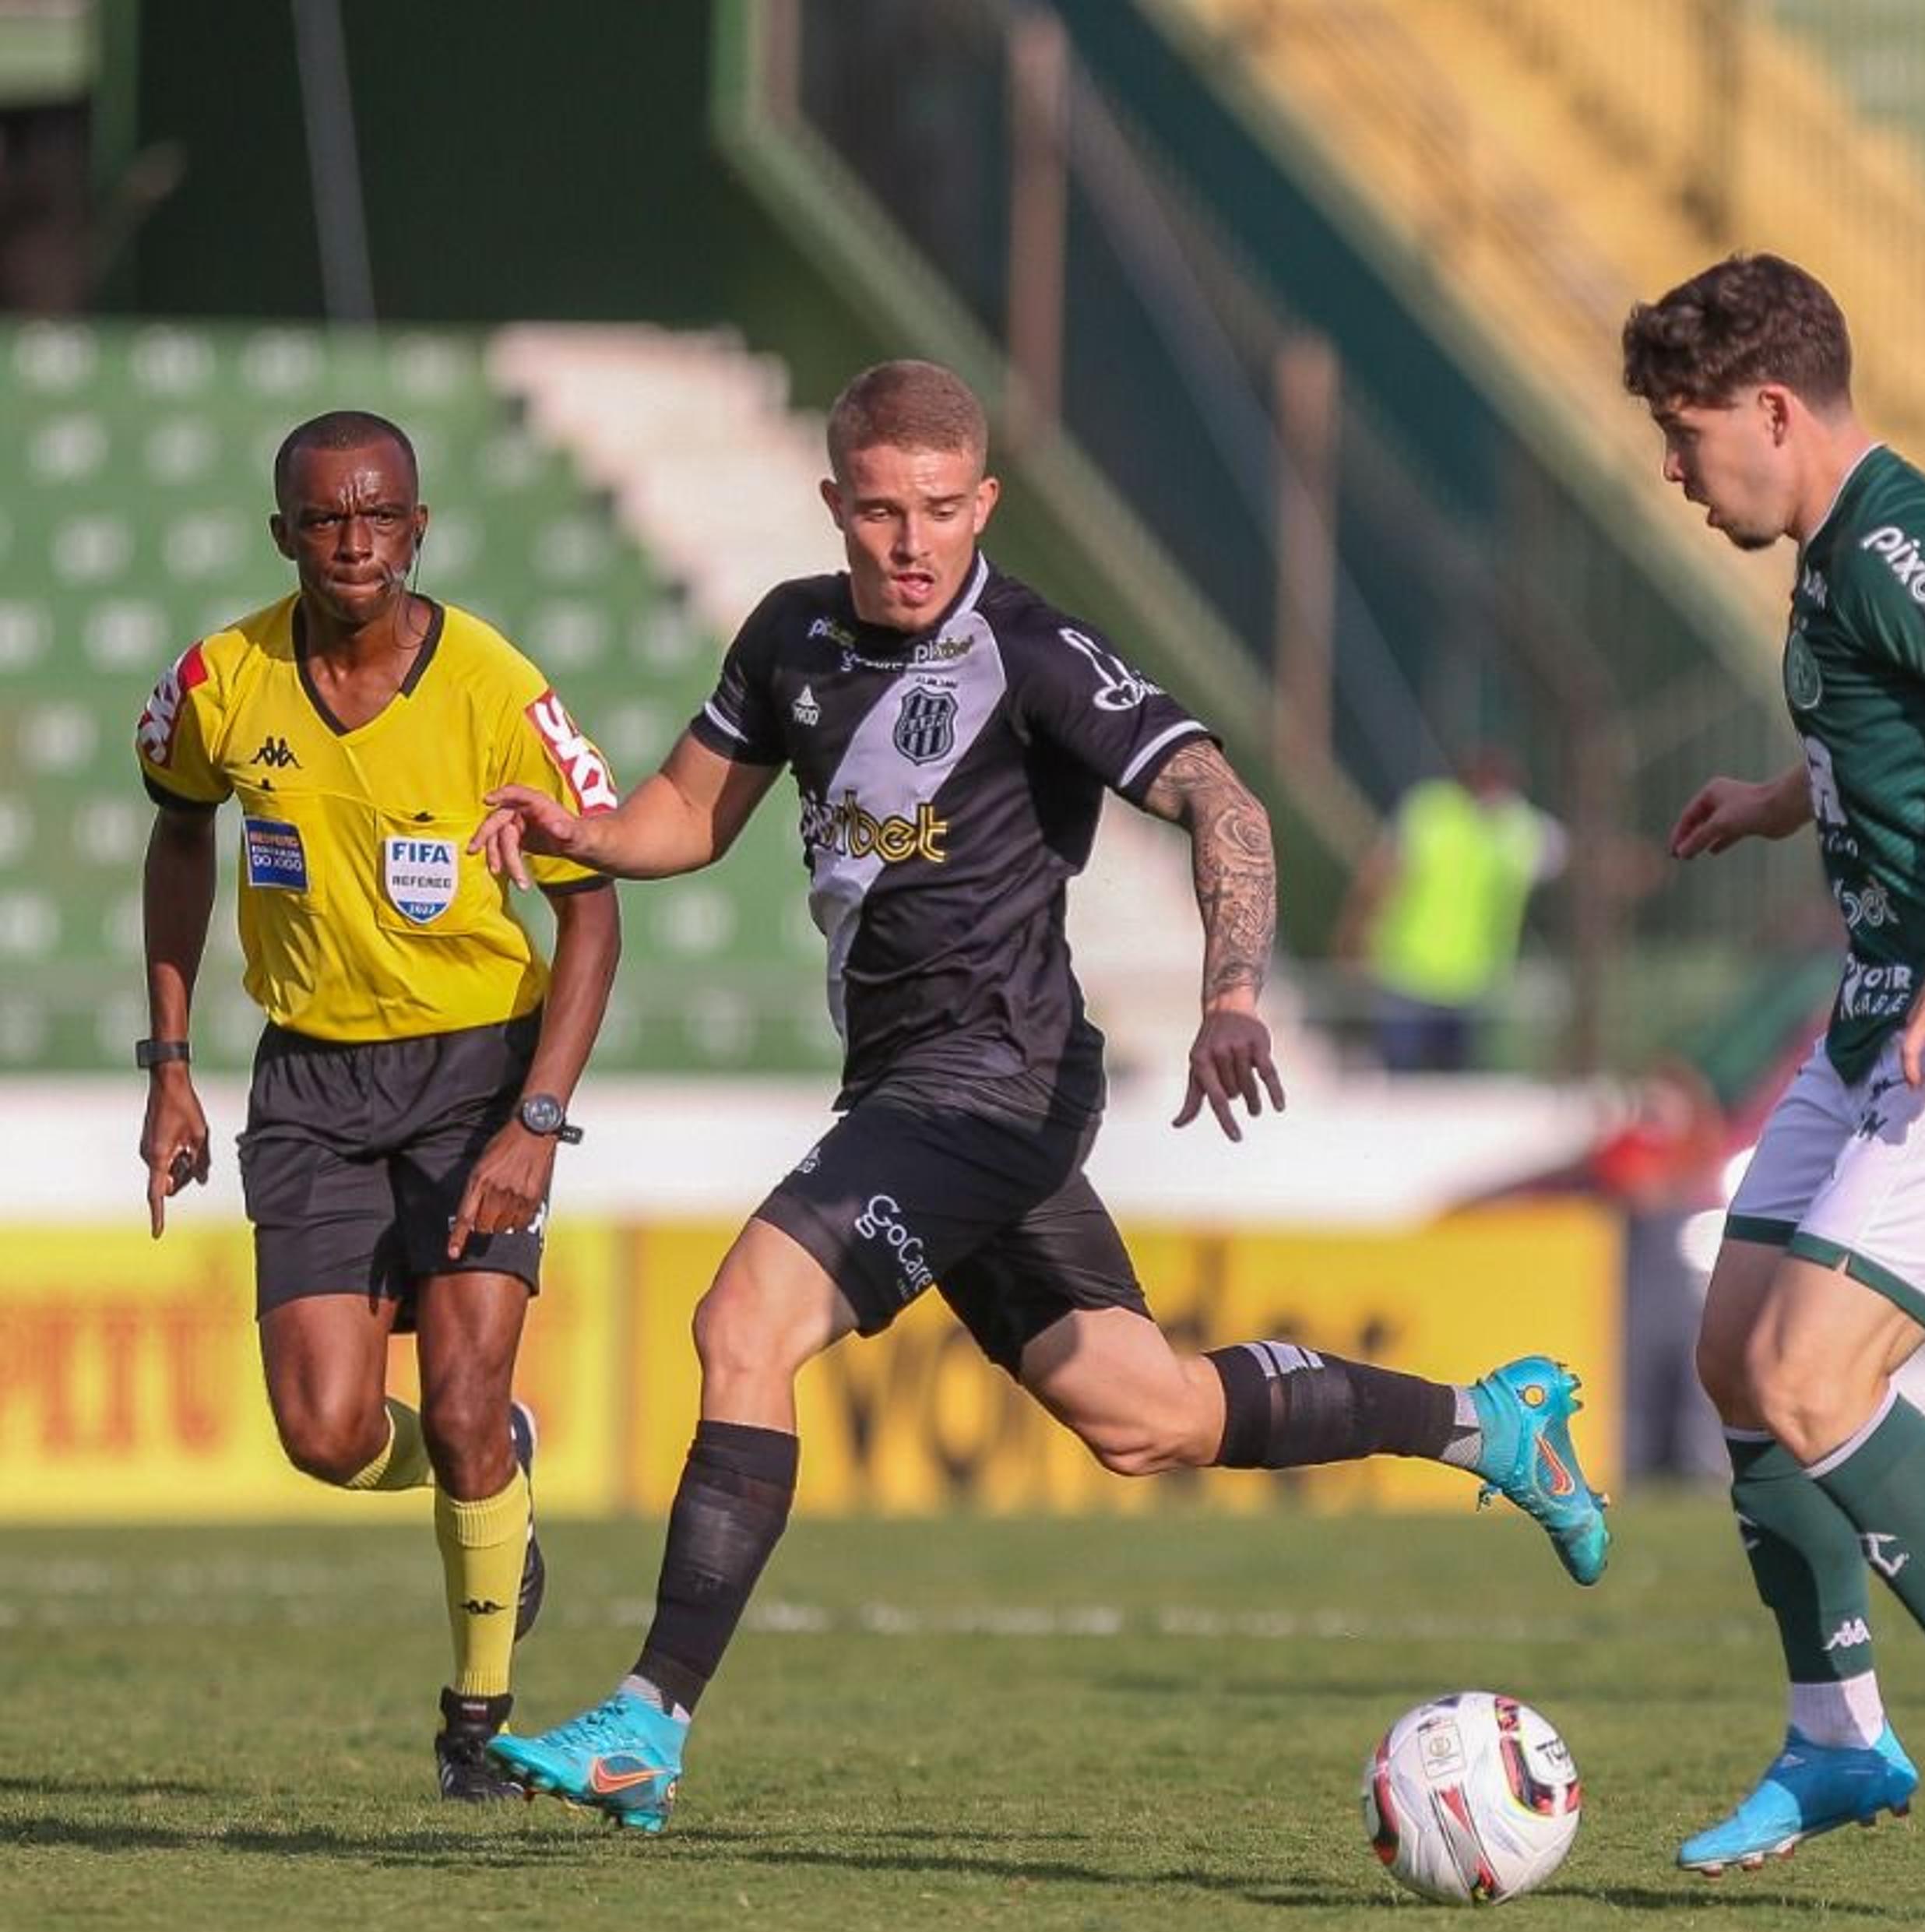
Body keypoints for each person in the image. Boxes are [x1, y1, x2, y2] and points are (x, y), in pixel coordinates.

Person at [466, 361, 1608, 1832]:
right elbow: (689, 811)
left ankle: (651, 1716)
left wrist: (1234, 991)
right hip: (916, 1088)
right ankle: (1483, 1423)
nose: (909, 541)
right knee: (1147, 1414)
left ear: (983, 500)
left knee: (743, 1320)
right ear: (835, 505)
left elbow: (1222, 796)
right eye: (879, 511)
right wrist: (587, 829)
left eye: (940, 509)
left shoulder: (1037, 649)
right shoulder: (789, 636)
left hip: (990, 1088)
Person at [1623, 254, 1925, 1908]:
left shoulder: (1898, 531)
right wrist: (1782, 799)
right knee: (1736, 1358)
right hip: (1881, 1013)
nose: (1676, 473)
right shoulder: (1837, 557)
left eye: (1687, 437)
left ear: (1774, 410)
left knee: (1816, 1375)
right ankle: (1837, 1732)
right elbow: (1919, 730)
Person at [134, 410, 624, 1799]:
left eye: (380, 515)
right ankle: (497, 1478)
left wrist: (535, 1120)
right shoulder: (218, 681)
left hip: (476, 1070)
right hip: (310, 1078)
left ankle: (477, 1726)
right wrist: (168, 1061)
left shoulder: (493, 685)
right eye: (326, 518)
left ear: (420, 528)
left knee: (464, 1397)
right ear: (283, 533)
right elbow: (178, 833)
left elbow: (594, 918)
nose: (354, 541)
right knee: (327, 1430)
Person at [1339, 748, 1564, 1073]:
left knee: (1457, 1090)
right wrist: (1355, 935)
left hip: (1475, 983)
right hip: (1408, 973)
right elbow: (1380, 874)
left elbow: (1577, 858)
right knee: (1402, 1086)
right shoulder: (1431, 811)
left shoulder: (1521, 826)